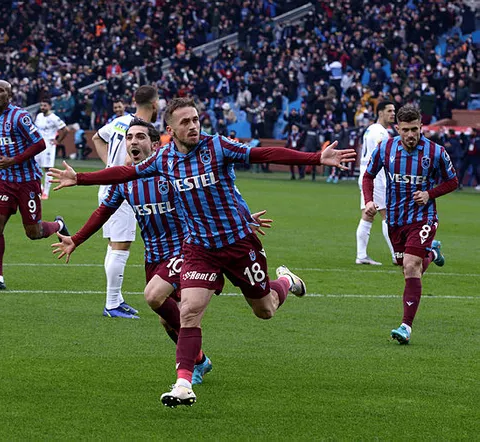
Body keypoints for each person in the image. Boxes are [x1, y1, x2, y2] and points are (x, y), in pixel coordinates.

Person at [49, 97, 356, 406]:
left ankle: (286, 281)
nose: (193, 126)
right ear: (171, 130)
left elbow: (263, 154)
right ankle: (183, 383)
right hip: (199, 249)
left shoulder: (217, 147)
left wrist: (316, 158)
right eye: (185, 122)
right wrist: (80, 180)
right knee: (188, 311)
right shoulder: (163, 160)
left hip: (237, 244)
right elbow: (122, 176)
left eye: (195, 119)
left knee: (265, 310)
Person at [52, 119, 274, 384]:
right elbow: (103, 211)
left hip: (187, 250)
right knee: (167, 321)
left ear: (155, 144)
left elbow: (216, 194)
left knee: (155, 296)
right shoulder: (125, 181)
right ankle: (199, 360)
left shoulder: (170, 172)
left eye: (140, 137)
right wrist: (76, 240)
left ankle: (186, 372)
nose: (133, 142)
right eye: (129, 137)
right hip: (154, 257)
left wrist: (243, 217)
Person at [363, 104, 458, 345]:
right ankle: (432, 252)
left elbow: (452, 181)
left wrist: (429, 194)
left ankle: (405, 326)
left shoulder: (436, 152)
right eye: (405, 130)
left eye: (414, 129)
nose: (410, 135)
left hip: (423, 217)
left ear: (421, 127)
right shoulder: (385, 148)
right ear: (397, 129)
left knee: (411, 265)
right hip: (395, 219)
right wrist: (369, 201)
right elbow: (368, 176)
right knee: (406, 268)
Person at [0, 80, 70, 290]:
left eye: (0, 91)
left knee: (33, 232)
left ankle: (58, 225)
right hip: (4, 180)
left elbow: (40, 143)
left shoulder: (20, 117)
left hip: (27, 181)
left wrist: (14, 160)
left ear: (9, 96)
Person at [90, 85, 160, 319]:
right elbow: (132, 161)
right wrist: (121, 169)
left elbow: (97, 137)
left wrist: (110, 167)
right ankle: (111, 304)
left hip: (107, 185)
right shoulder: (143, 130)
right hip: (123, 189)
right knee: (121, 246)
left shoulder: (120, 121)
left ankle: (116, 299)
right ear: (154, 104)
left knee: (113, 245)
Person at [355, 100, 397, 266]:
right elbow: (384, 152)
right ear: (380, 112)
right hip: (376, 177)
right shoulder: (380, 132)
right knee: (387, 215)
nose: (393, 114)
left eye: (393, 111)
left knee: (368, 214)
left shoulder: (370, 129)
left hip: (366, 174)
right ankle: (396, 255)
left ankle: (361, 255)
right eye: (389, 111)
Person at [34, 98, 68, 199]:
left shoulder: (54, 118)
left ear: (49, 106)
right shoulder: (39, 116)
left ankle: (46, 193)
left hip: (48, 145)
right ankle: (40, 188)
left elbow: (65, 130)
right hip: (38, 144)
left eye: (45, 106)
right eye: (41, 105)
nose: (42, 107)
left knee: (47, 168)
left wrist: (58, 141)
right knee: (34, 166)